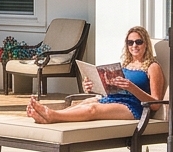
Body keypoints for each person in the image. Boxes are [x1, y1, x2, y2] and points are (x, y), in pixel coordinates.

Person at [22, 27, 164, 125]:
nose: (134, 45)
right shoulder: (125, 65)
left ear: (146, 44)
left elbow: (156, 104)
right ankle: (50, 115)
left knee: (93, 109)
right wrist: (92, 86)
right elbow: (111, 89)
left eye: (138, 42)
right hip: (114, 99)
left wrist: (132, 88)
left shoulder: (152, 67)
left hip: (133, 106)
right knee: (86, 102)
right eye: (130, 42)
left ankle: (51, 116)